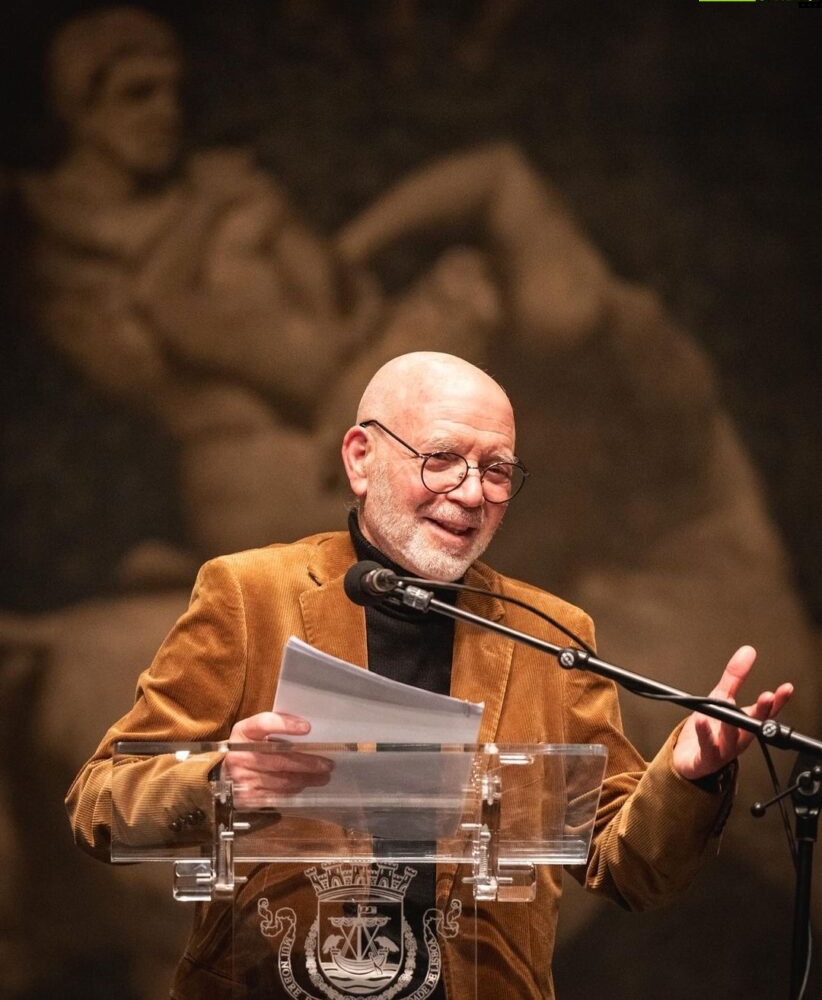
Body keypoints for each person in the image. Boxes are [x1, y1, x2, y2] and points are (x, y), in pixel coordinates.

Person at [67, 351, 793, 1000]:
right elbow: (99, 803)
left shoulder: (552, 635)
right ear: (360, 458)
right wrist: (223, 782)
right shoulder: (249, 595)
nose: (473, 492)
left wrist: (688, 775)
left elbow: (629, 868)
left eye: (498, 470)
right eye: (443, 457)